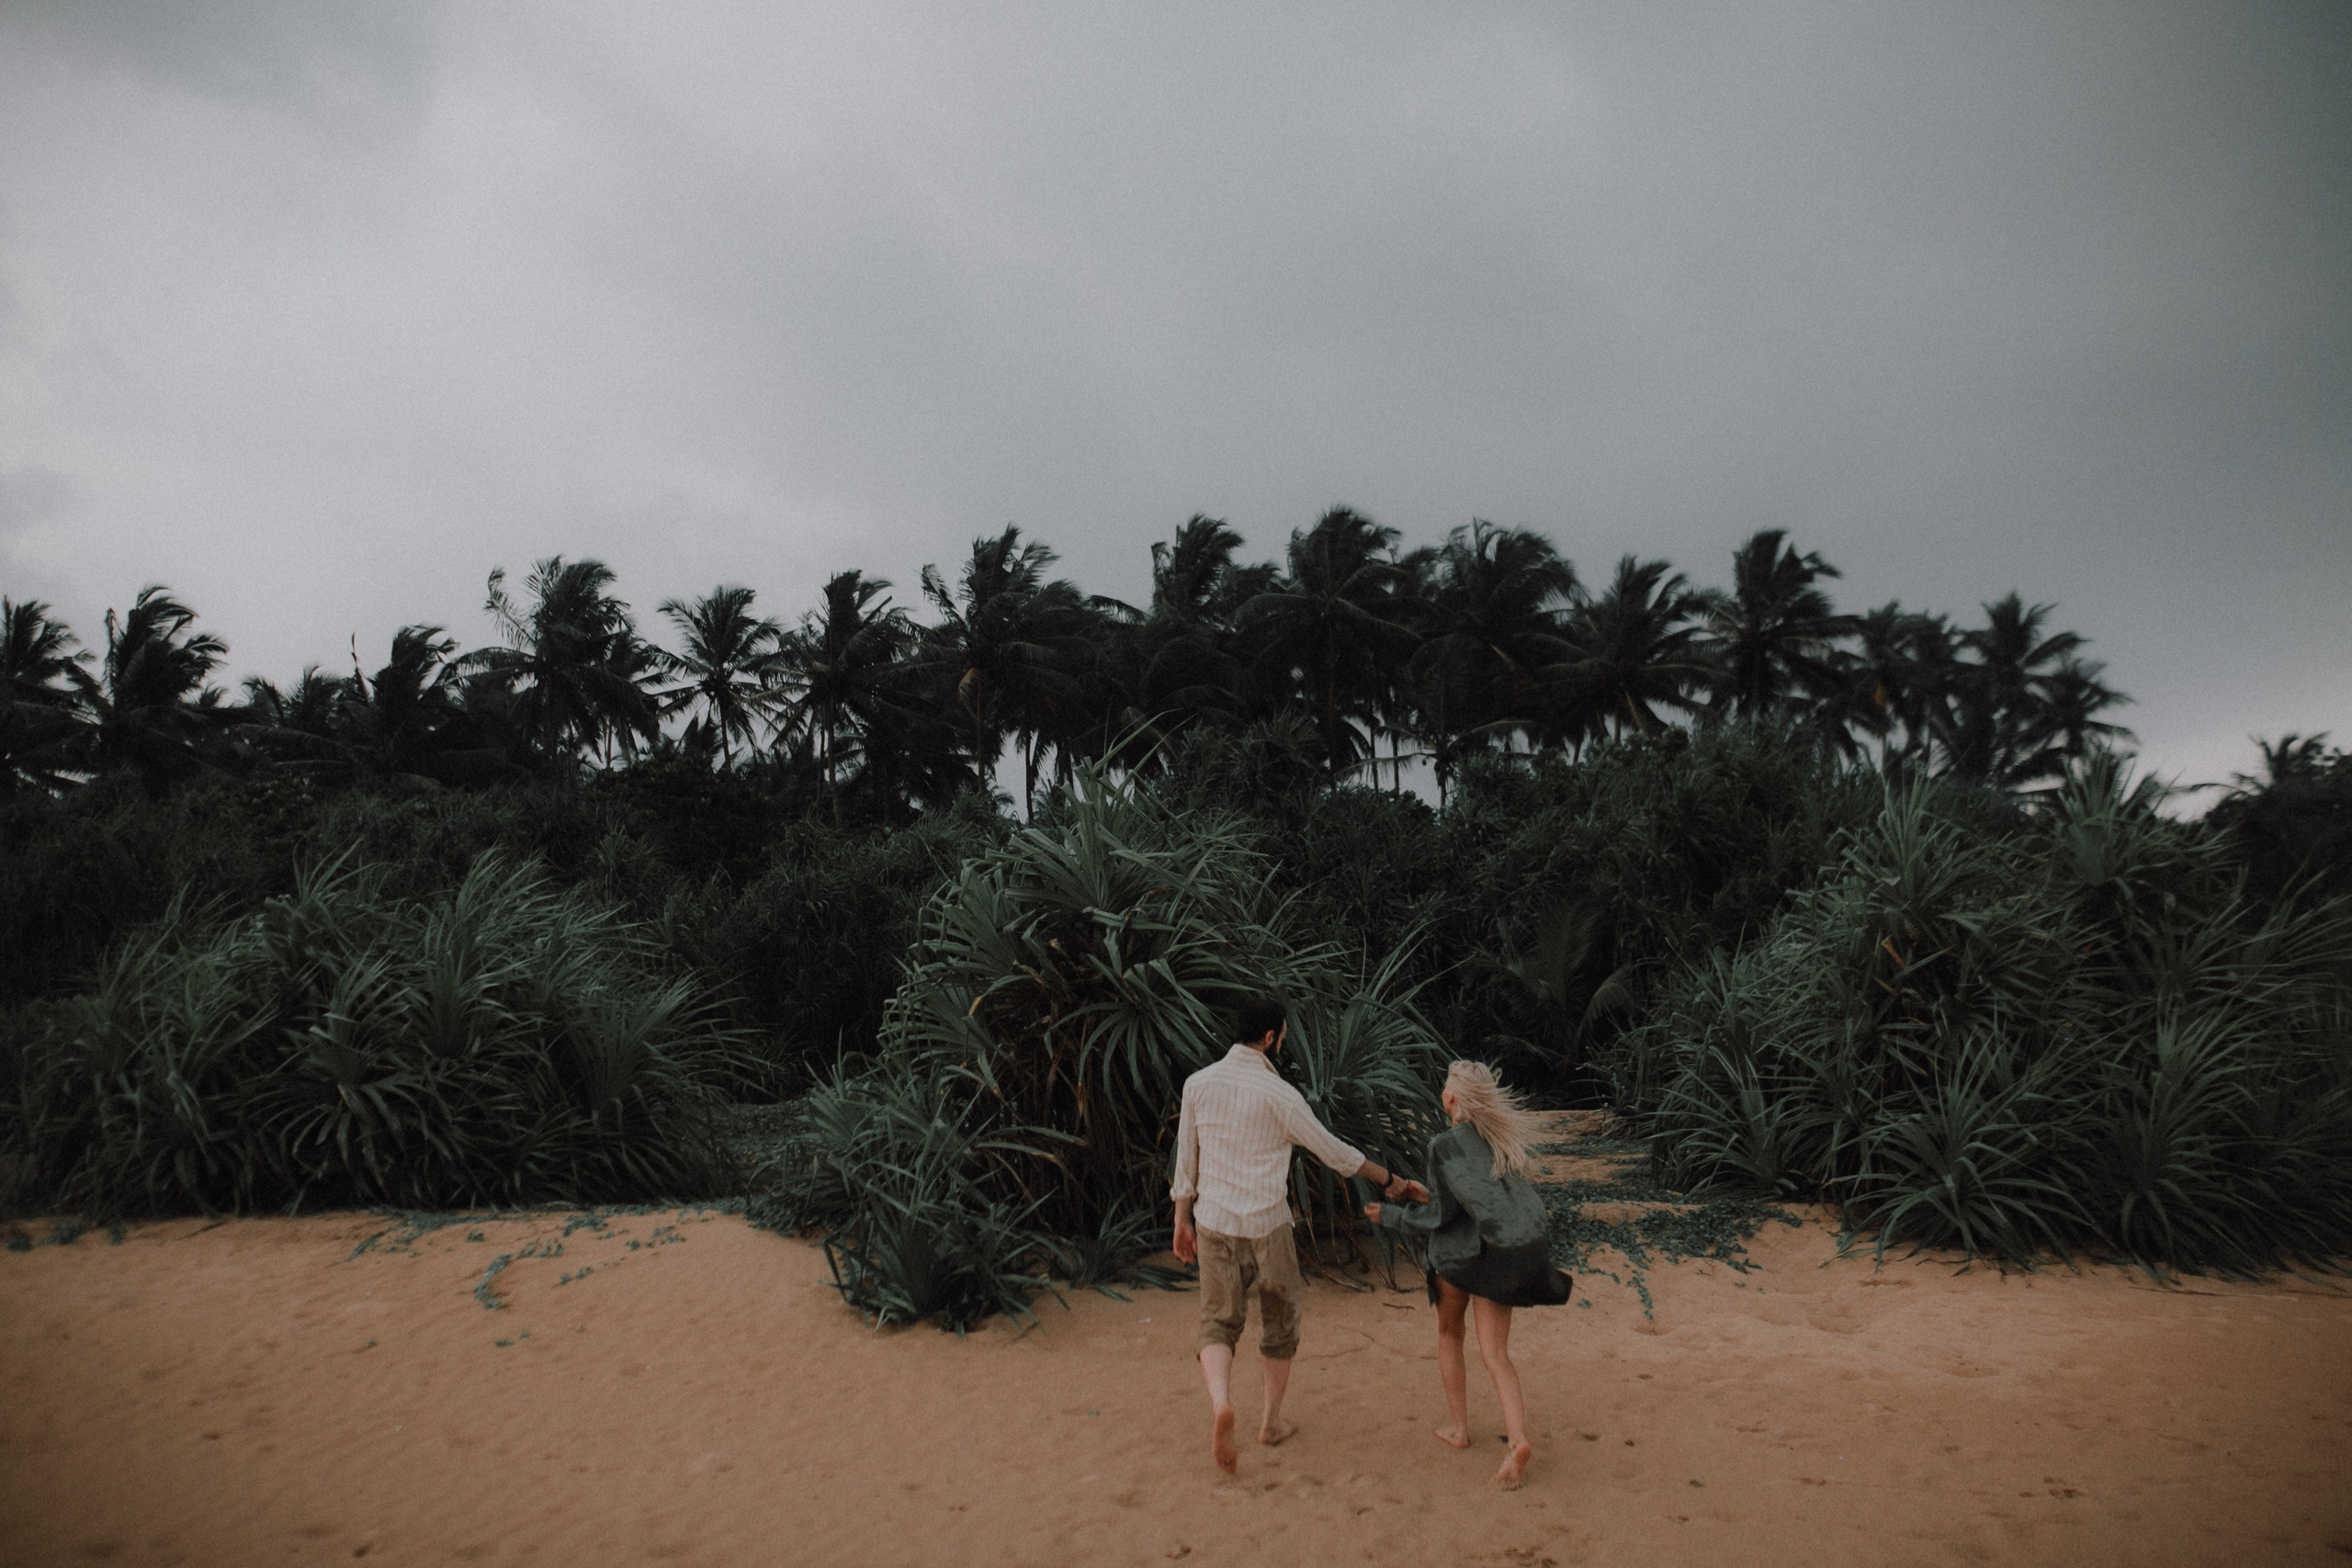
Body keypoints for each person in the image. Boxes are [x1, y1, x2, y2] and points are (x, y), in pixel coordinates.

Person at [1170, 998, 1430, 1473]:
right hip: (1268, 1224)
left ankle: (1221, 1405)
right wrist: (1390, 1180)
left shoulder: (1198, 1084)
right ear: (1270, 1038)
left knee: (1217, 1320)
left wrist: (1180, 1218)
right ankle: (1270, 1422)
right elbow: (1336, 1153)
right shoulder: (1281, 1095)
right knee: (1280, 1322)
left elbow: (1186, 1160)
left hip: (1213, 1222)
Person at [1364, 1059, 1573, 1490]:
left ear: (1452, 1098)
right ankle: (1517, 1440)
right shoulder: (1499, 1140)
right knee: (1496, 1355)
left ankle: (1459, 1430)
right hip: (1501, 1255)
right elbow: (1469, 1200)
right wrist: (1425, 1195)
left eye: (1445, 1086)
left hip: (1461, 1260)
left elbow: (1440, 1217)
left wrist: (1392, 1214)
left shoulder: (1444, 1144)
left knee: (1449, 1335)